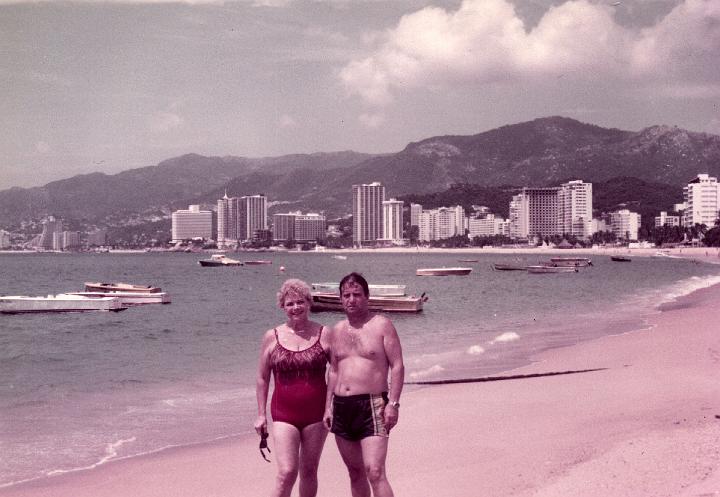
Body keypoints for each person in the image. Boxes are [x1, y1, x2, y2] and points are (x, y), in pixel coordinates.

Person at [323, 272, 405, 497]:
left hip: (372, 405)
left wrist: (393, 404)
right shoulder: (336, 330)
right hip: (341, 407)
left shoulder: (382, 325)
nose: (351, 300)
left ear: (367, 297)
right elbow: (334, 370)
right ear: (340, 299)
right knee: (355, 472)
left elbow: (397, 366)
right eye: (346, 295)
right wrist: (327, 406)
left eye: (357, 294)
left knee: (375, 471)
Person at [255, 279, 330, 497]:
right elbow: (262, 377)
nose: (295, 307)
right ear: (282, 307)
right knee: (287, 471)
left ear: (309, 303)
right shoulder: (272, 336)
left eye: (300, 302)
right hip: (284, 414)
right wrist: (260, 415)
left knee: (309, 470)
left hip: (317, 415)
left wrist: (331, 406)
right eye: (290, 304)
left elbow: (337, 371)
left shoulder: (324, 333)